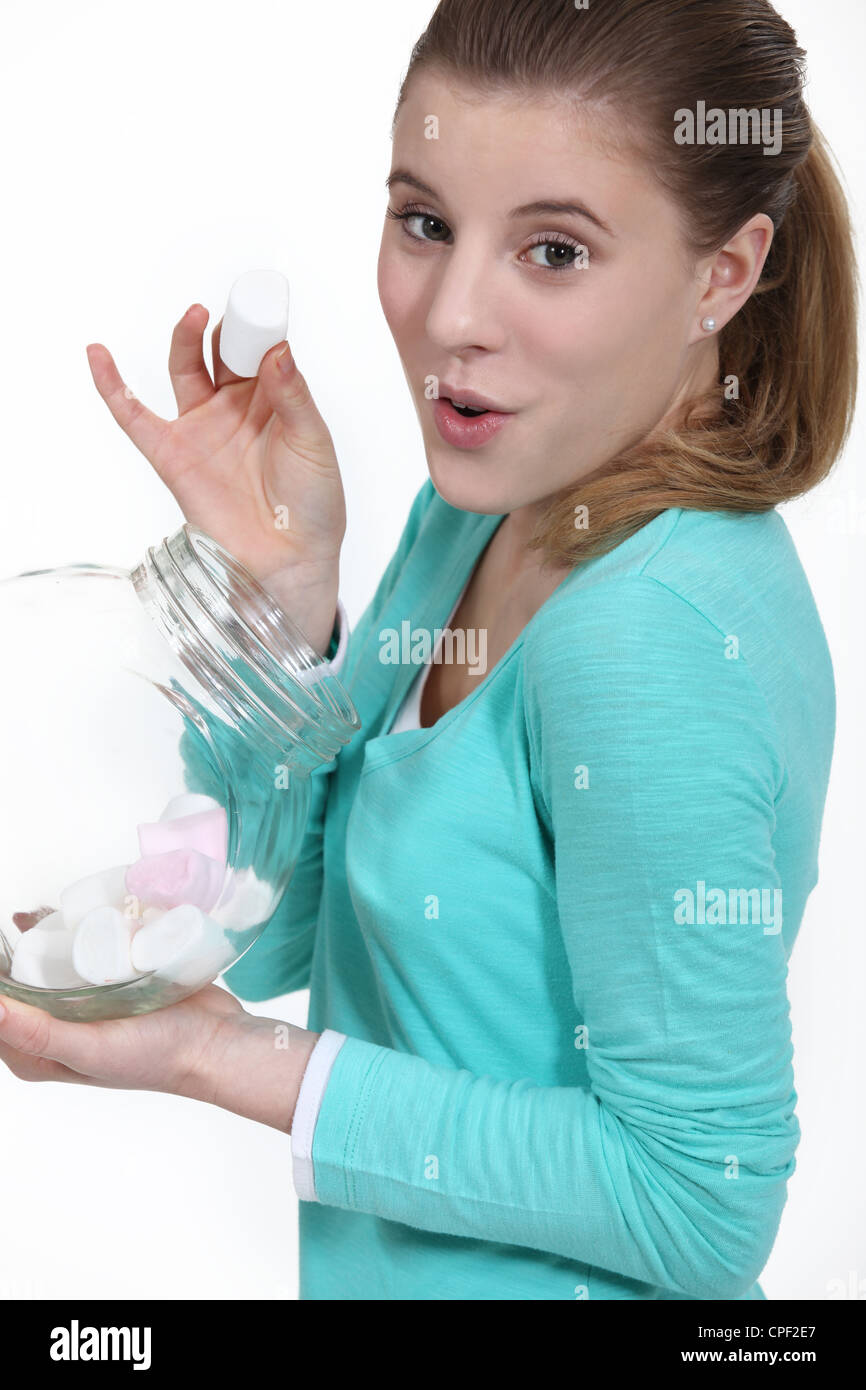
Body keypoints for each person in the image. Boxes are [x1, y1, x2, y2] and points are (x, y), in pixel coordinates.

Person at [0, 0, 857, 1300]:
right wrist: (280, 594)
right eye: (424, 222)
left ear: (720, 276)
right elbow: (281, 927)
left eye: (553, 250)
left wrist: (218, 1063)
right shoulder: (474, 517)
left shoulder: (649, 638)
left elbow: (698, 1202)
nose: (450, 314)